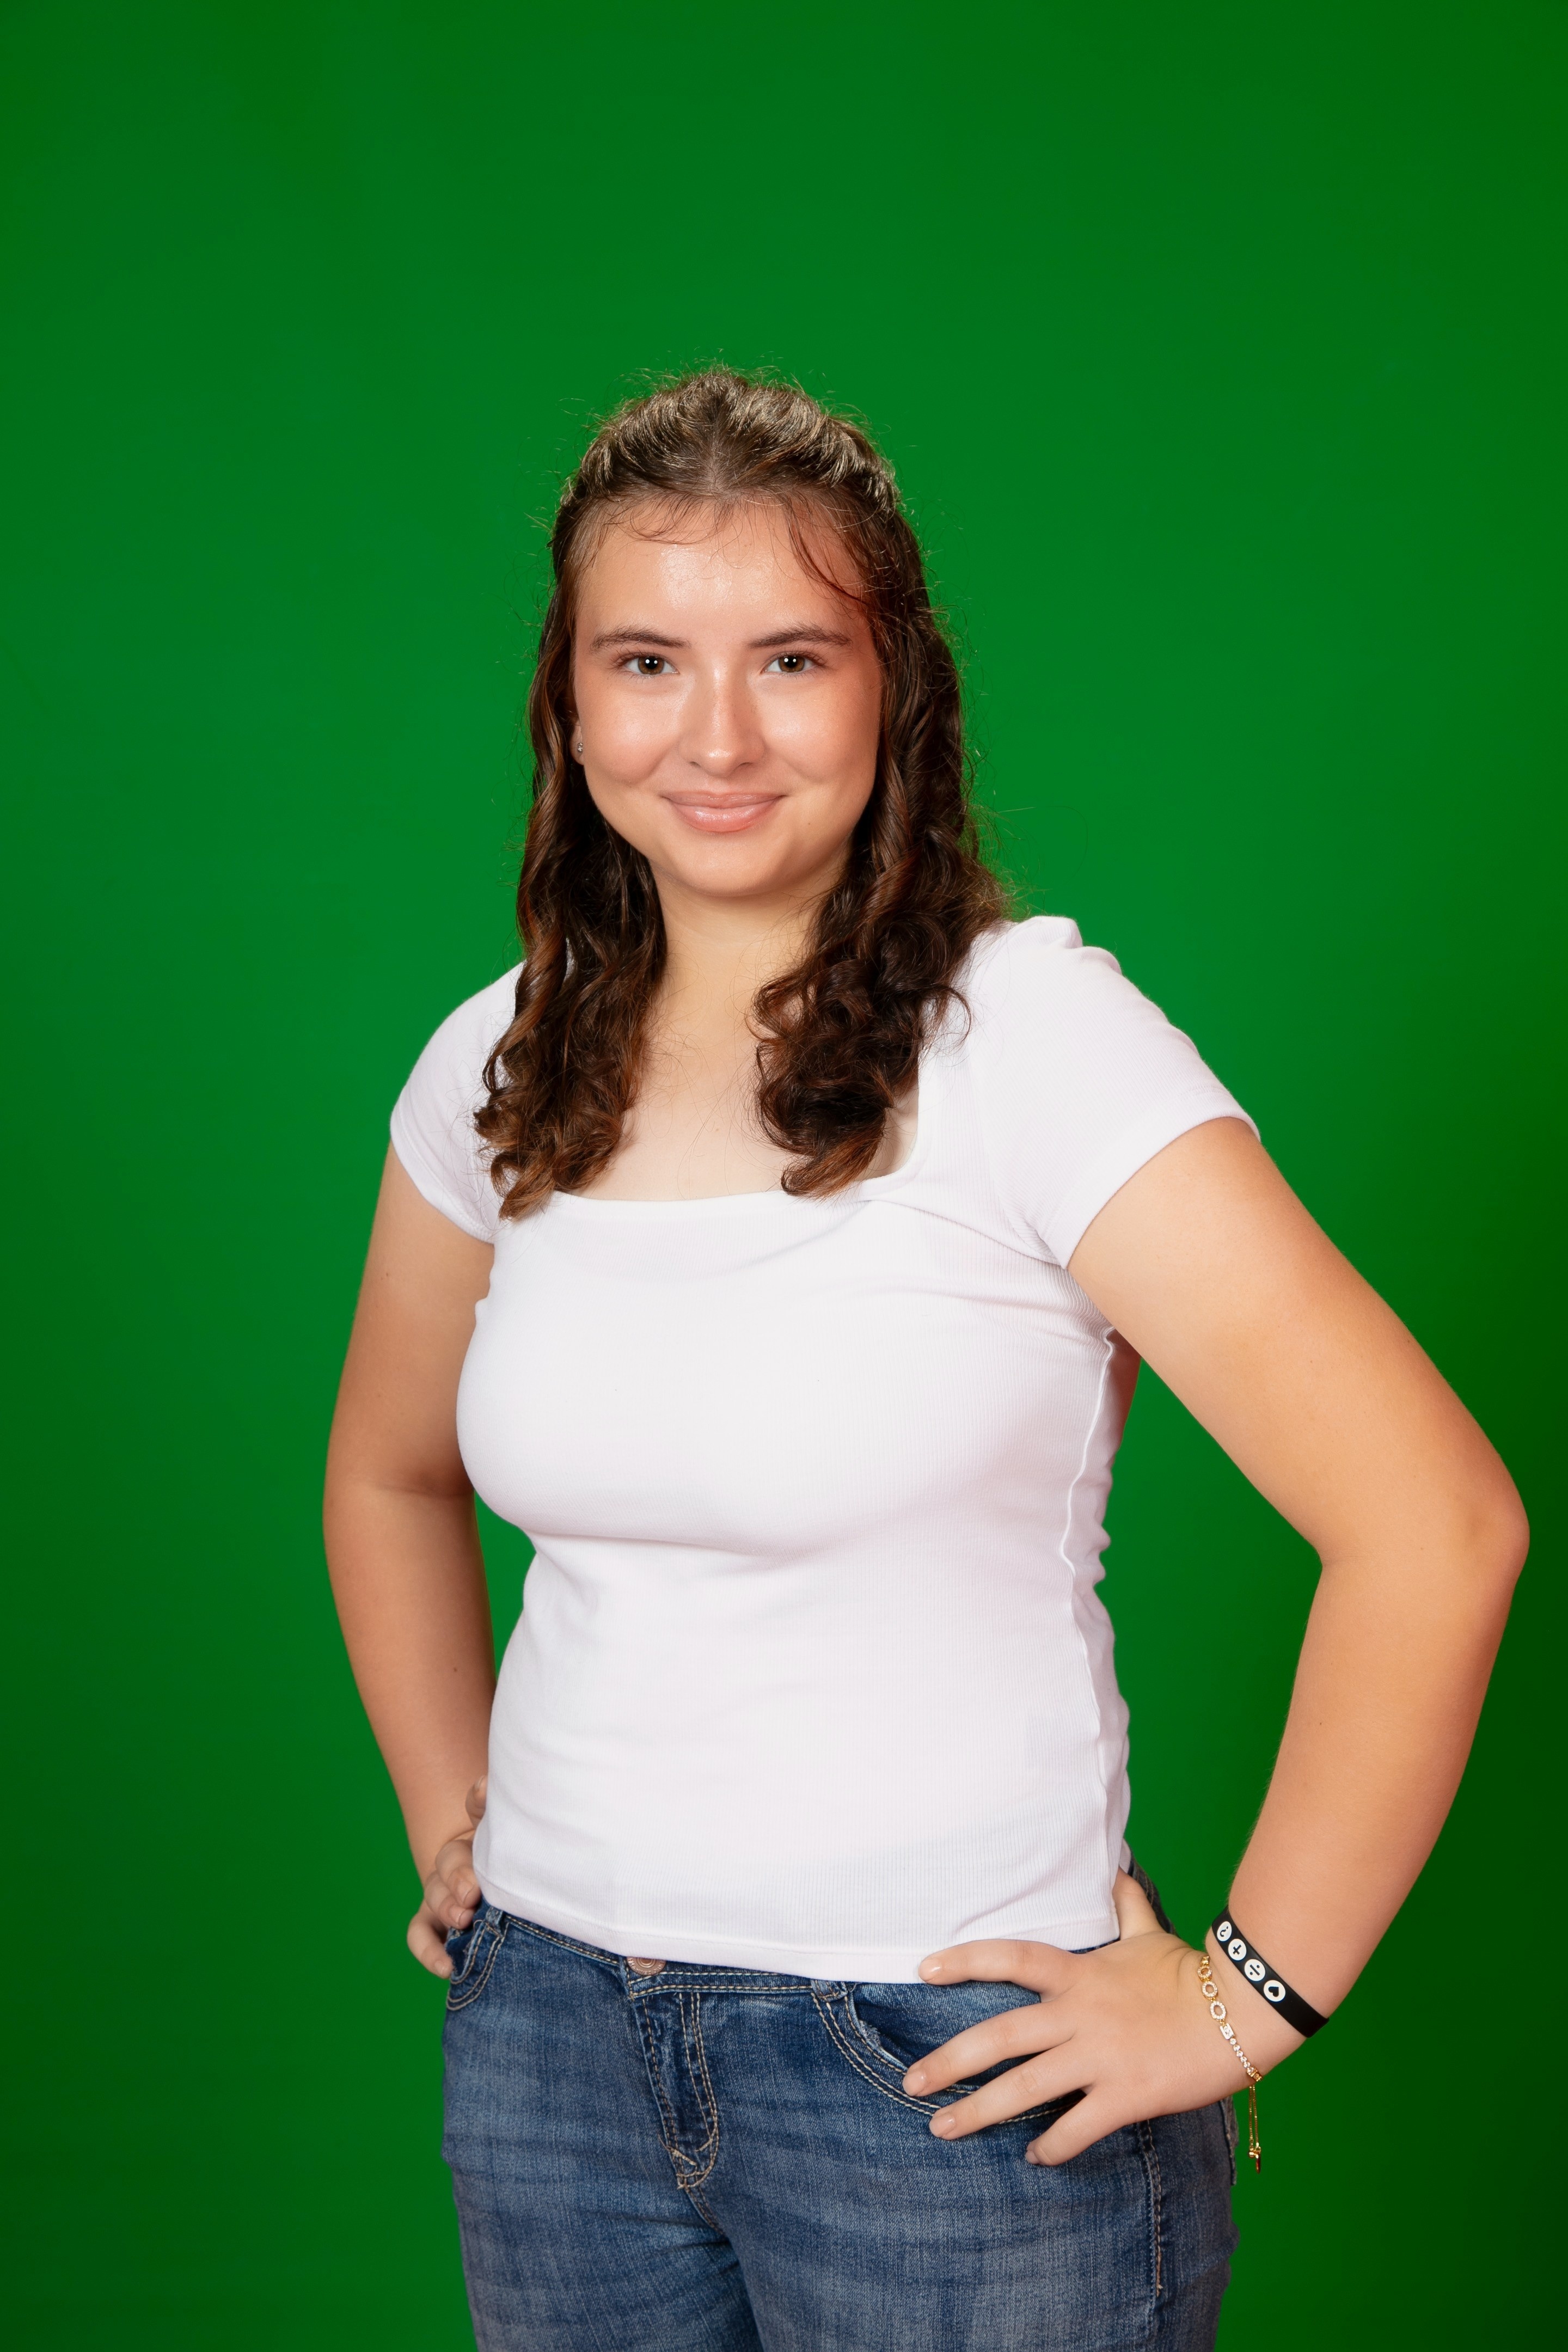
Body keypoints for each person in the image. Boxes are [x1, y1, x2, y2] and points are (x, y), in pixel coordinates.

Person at [323, 370, 1526, 2351]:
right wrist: (454, 1816)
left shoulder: (1029, 1045)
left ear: (898, 694)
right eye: (647, 661)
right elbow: (387, 1471)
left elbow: (1436, 1524)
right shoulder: (498, 1058)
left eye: (792, 658)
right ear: (570, 703)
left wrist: (1244, 1997)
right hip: (550, 2055)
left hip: (945, 2073)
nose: (717, 735)